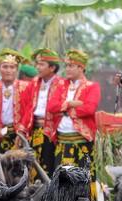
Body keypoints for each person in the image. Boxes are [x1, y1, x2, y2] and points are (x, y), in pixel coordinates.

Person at [45, 50, 100, 182]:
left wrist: (65, 108)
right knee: (62, 181)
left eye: (71, 66)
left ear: (81, 67)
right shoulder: (60, 85)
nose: (67, 69)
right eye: (67, 65)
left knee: (83, 180)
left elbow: (89, 108)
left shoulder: (92, 86)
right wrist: (72, 104)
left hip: (81, 141)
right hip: (62, 140)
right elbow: (51, 107)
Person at [0, 48, 32, 152]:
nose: (8, 70)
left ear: (17, 69)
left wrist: (22, 131)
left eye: (12, 67)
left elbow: (30, 111)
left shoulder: (27, 87)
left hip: (19, 134)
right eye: (5, 67)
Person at [27, 48, 62, 176]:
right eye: (37, 64)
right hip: (35, 129)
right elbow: (28, 108)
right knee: (32, 166)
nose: (37, 67)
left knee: (49, 166)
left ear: (52, 68)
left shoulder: (62, 84)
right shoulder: (34, 83)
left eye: (41, 64)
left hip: (52, 131)